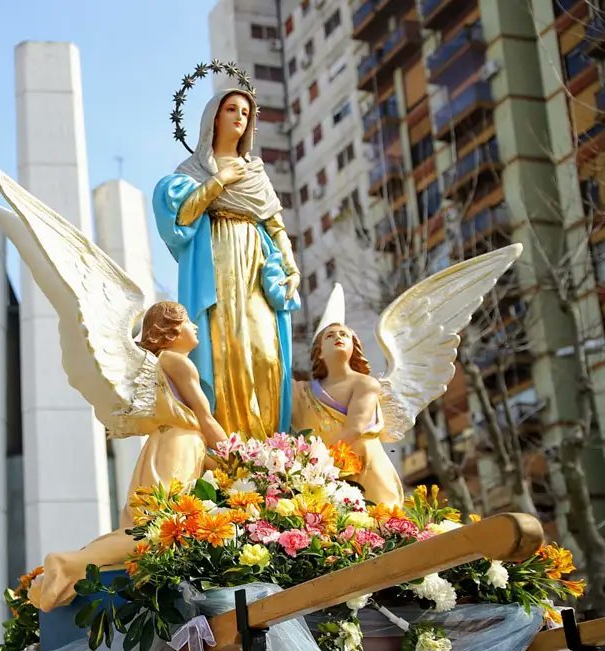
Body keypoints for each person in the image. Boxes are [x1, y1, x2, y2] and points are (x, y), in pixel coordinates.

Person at [27, 301, 227, 611]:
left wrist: (224, 467)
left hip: (172, 446)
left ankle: (76, 565)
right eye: (188, 321)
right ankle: (68, 563)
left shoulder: (162, 365)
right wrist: (241, 458)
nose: (195, 327)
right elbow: (204, 419)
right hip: (176, 448)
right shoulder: (177, 362)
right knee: (159, 529)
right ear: (170, 331)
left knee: (150, 530)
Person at [154, 88, 301, 442]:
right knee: (224, 352)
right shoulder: (191, 172)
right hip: (215, 267)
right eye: (231, 109)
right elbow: (181, 219)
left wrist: (292, 267)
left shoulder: (256, 175)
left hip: (257, 268)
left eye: (246, 113)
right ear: (213, 118)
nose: (240, 117)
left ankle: (267, 450)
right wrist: (218, 182)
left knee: (267, 355)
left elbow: (275, 226)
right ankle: (230, 455)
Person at [291, 323, 405, 506]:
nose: (338, 337)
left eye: (344, 335)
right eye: (329, 336)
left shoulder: (365, 384)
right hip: (322, 474)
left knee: (375, 521)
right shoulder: (304, 392)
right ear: (319, 352)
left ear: (354, 347)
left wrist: (317, 464)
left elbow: (355, 428)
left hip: (364, 466)